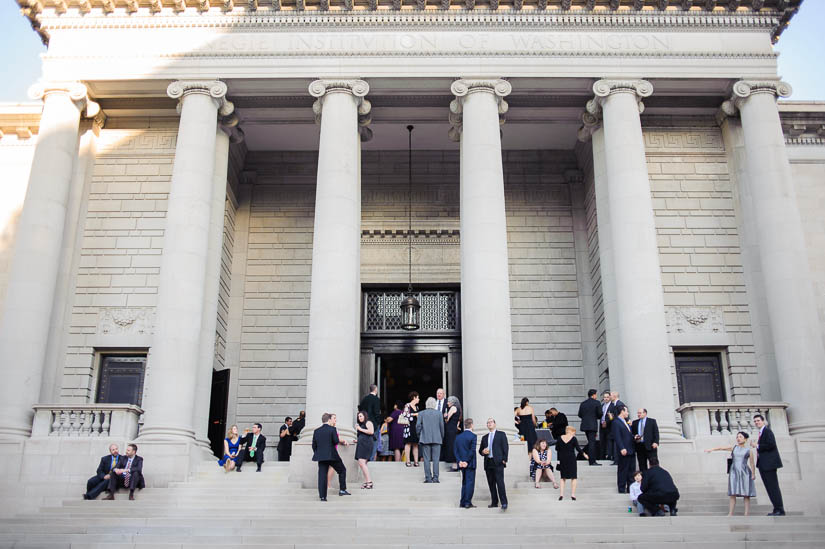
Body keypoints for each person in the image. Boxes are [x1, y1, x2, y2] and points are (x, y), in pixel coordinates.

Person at [705, 431, 757, 516]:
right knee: (733, 493)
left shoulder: (748, 450)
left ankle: (746, 513)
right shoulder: (734, 448)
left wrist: (753, 473)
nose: (738, 438)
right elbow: (721, 448)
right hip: (734, 472)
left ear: (745, 439)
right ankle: (730, 513)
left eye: (740, 437)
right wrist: (711, 449)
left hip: (745, 472)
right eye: (737, 437)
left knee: (746, 494)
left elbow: (751, 463)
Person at [312, 412, 351, 501]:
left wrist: (318, 453)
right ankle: (342, 490)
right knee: (342, 470)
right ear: (329, 420)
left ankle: (322, 497)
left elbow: (314, 445)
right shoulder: (332, 429)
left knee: (322, 476)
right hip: (332, 456)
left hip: (321, 456)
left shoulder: (316, 431)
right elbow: (336, 441)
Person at [751, 414, 785, 516]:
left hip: (769, 465)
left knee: (773, 487)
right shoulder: (762, 432)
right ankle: (776, 508)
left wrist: (757, 445)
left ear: (763, 421)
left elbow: (771, 445)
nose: (757, 422)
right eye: (755, 421)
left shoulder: (767, 431)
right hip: (763, 465)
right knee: (769, 488)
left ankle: (779, 509)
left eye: (758, 421)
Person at [479, 417, 508, 510]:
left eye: (491, 422)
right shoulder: (484, 437)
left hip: (498, 462)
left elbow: (505, 447)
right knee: (491, 484)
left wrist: (504, 459)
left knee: (500, 483)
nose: (489, 424)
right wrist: (483, 451)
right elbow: (480, 451)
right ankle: (494, 502)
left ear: (495, 424)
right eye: (488, 423)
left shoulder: (501, 434)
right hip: (488, 462)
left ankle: (504, 502)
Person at [417, 396, 445, 483]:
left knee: (426, 459)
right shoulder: (439, 414)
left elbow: (418, 427)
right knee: (436, 459)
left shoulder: (421, 413)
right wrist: (441, 437)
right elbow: (442, 427)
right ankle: (436, 478)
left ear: (426, 404)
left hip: (425, 438)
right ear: (434, 404)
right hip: (437, 439)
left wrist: (420, 436)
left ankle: (428, 478)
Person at [556, 425, 587, 500]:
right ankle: (573, 495)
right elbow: (578, 448)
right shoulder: (573, 439)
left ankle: (561, 495)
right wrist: (584, 454)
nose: (574, 434)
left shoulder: (560, 438)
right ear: (571, 431)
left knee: (563, 477)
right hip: (571, 459)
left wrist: (559, 459)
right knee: (574, 477)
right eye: (574, 432)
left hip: (563, 459)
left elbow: (557, 449)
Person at [454, 417, 477, 509]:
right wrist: (466, 461)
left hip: (461, 463)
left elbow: (455, 450)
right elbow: (472, 451)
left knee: (464, 483)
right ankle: (467, 502)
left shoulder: (458, 437)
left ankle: (462, 502)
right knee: (470, 483)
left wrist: (460, 461)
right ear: (471, 425)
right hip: (470, 463)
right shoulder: (473, 436)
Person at [612, 405, 635, 494]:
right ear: (622, 411)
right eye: (626, 411)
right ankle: (621, 488)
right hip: (624, 450)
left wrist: (634, 437)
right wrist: (622, 448)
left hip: (631, 449)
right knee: (623, 470)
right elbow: (617, 437)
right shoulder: (616, 422)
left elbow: (628, 435)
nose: (627, 413)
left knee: (631, 470)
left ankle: (630, 488)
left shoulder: (625, 422)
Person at [577, 389, 602, 466]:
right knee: (592, 443)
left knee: (590, 442)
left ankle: (591, 459)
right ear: (594, 395)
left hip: (585, 425)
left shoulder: (583, 403)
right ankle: (592, 461)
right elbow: (600, 414)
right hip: (592, 425)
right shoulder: (597, 403)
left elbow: (579, 414)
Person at [631, 408, 659, 473]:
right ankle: (644, 480)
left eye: (640, 413)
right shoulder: (635, 422)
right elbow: (632, 433)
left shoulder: (652, 421)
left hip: (650, 446)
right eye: (638, 413)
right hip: (639, 447)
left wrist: (656, 442)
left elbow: (656, 432)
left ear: (645, 413)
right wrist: (635, 437)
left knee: (654, 464)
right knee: (642, 465)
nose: (638, 414)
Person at [359, 384, 382, 461]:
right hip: (374, 423)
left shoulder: (364, 399)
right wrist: (379, 422)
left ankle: (365, 458)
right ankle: (371, 459)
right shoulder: (376, 399)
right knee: (374, 441)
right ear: (376, 389)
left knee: (366, 441)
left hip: (364, 423)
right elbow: (376, 412)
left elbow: (360, 408)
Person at [354, 410, 375, 489]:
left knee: (362, 462)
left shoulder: (368, 422)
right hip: (362, 444)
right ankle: (367, 481)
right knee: (362, 463)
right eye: (358, 416)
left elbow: (371, 432)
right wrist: (357, 440)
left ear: (365, 416)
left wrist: (359, 429)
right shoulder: (362, 424)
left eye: (361, 416)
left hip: (366, 445)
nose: (359, 418)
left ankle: (369, 482)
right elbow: (363, 435)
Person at [607, 391, 626, 465]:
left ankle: (617, 460)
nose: (609, 397)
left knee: (617, 442)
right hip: (616, 427)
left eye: (610, 395)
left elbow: (621, 416)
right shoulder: (615, 405)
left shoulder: (619, 404)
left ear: (615, 396)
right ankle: (616, 459)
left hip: (618, 427)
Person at [443, 395, 461, 472]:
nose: (447, 403)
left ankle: (455, 466)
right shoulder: (458, 409)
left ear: (452, 402)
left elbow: (447, 419)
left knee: (451, 446)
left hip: (450, 430)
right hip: (453, 429)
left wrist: (445, 416)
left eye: (448, 402)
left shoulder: (453, 408)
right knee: (453, 446)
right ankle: (455, 465)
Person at [403, 392, 420, 467]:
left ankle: (416, 461)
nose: (419, 399)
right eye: (418, 397)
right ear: (414, 398)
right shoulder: (407, 405)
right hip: (408, 427)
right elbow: (405, 415)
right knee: (408, 443)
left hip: (416, 427)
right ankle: (408, 461)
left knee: (416, 444)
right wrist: (414, 414)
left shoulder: (417, 407)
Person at [599, 391, 612, 461]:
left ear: (610, 397)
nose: (606, 399)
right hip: (602, 425)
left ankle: (609, 455)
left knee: (609, 441)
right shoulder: (602, 406)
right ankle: (602, 456)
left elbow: (612, 417)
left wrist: (606, 422)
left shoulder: (612, 406)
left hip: (609, 426)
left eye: (607, 397)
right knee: (602, 441)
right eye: (605, 397)